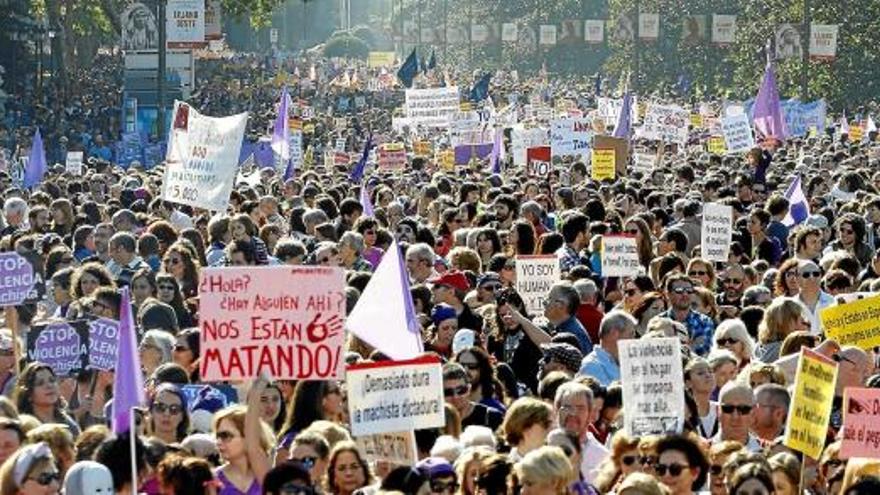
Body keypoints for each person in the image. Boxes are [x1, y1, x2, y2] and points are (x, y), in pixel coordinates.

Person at [213, 377, 272, 495]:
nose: (218, 442)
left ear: (247, 438)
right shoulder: (212, 479)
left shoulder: (265, 474)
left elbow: (253, 447)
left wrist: (257, 389)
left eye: (226, 435)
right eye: (217, 436)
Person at [553, 381, 607, 484]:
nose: (573, 413)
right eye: (567, 407)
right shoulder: (541, 448)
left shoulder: (602, 457)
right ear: (556, 410)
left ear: (590, 413)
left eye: (580, 408)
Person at [577, 311, 636, 386]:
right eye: (630, 335)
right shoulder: (591, 366)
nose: (633, 340)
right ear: (614, 333)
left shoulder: (623, 362)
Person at [442, 363, 503, 431]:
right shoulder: (436, 423)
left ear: (469, 389)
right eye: (448, 392)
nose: (455, 397)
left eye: (461, 390)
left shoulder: (492, 417)